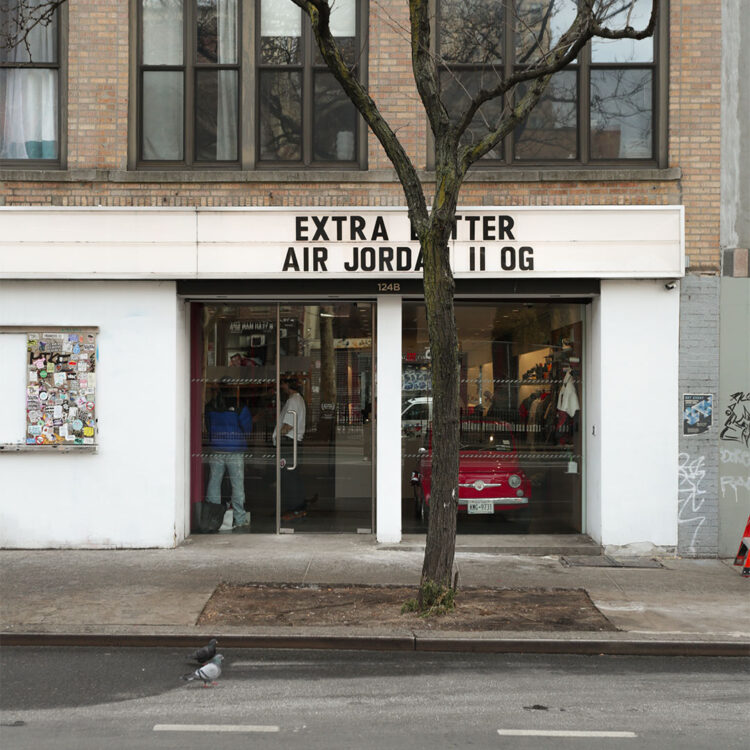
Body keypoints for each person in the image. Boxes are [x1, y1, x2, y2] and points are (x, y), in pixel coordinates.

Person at [204, 384, 252, 531]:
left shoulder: (210, 406)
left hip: (217, 448)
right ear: (232, 390)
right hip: (235, 449)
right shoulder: (239, 407)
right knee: (237, 484)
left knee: (214, 482)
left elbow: (208, 425)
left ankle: (213, 518)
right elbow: (247, 428)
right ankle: (239, 518)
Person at [273, 376, 307, 520]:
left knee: (288, 477)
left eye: (283, 384)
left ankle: (294, 509)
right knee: (293, 476)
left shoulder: (293, 401)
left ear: (288, 385)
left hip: (289, 442)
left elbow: (288, 424)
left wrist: (279, 435)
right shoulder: (298, 399)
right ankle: (298, 507)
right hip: (293, 442)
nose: (281, 387)